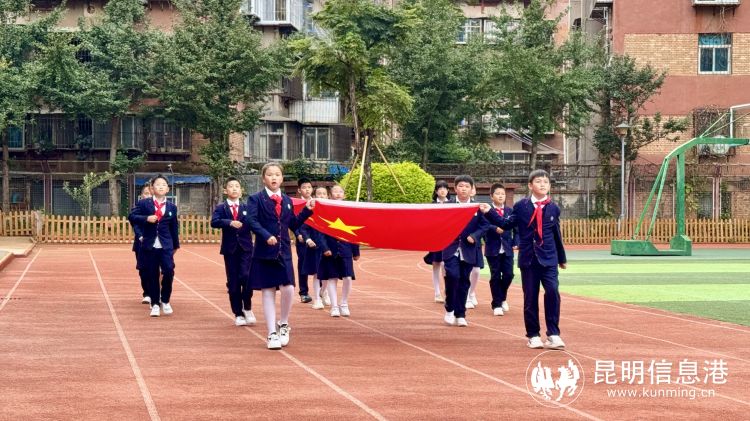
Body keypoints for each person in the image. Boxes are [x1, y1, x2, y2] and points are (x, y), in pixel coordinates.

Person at [479, 169, 567, 349]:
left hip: (549, 258)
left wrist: (561, 257)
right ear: (530, 185)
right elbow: (506, 224)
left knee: (552, 292)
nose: (543, 185)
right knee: (530, 297)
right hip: (529, 259)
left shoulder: (553, 208)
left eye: (546, 182)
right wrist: (489, 212)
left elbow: (556, 234)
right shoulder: (521, 206)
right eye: (538, 181)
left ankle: (553, 334)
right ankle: (533, 335)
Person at [247, 163, 315, 350]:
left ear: (282, 178)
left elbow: (292, 223)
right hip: (264, 252)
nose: (274, 177)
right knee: (268, 291)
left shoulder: (286, 200)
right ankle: (271, 333)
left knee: (289, 288)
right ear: (264, 179)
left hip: (283, 251)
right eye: (270, 175)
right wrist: (265, 235)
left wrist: (307, 210)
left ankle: (283, 323)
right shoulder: (255, 199)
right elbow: (251, 220)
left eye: (277, 174)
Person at [128, 175, 180, 318]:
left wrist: (176, 245)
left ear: (168, 189)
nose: (161, 187)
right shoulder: (144, 204)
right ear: (152, 188)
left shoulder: (172, 207)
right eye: (157, 184)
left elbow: (174, 227)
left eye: (164, 184)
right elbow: (132, 217)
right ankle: (155, 304)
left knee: (168, 271)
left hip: (166, 245)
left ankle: (165, 300)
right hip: (149, 245)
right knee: (152, 274)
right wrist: (147, 218)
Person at [441, 175, 489, 327]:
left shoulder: (477, 208)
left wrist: (474, 236)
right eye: (461, 186)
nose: (463, 189)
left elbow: (485, 225)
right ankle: (450, 309)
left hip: (468, 249)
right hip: (451, 248)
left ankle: (460, 314)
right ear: (455, 189)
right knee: (452, 277)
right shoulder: (447, 206)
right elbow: (439, 223)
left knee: (464, 281)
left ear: (472, 189)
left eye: (467, 186)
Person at [210, 177, 256, 326]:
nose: (234, 188)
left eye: (237, 186)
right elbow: (214, 222)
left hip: (246, 248)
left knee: (246, 277)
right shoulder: (221, 208)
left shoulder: (247, 207)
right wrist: (229, 222)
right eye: (231, 186)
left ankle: (247, 307)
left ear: (241, 191)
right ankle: (238, 313)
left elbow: (255, 224)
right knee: (233, 282)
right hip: (230, 249)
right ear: (225, 190)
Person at [317, 184, 360, 317]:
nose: (338, 194)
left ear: (344, 195)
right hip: (330, 251)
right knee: (332, 278)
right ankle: (334, 306)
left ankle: (344, 303)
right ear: (330, 195)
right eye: (335, 192)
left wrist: (356, 251)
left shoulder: (350, 211)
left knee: (347, 278)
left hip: (345, 249)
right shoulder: (325, 211)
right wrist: (325, 248)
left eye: (340, 191)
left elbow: (355, 232)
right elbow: (320, 232)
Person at [484, 183, 517, 316]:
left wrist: (516, 242)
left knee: (509, 274)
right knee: (496, 275)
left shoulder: (510, 211)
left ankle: (502, 297)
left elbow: (516, 229)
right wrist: (494, 228)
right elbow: (483, 225)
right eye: (498, 194)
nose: (501, 196)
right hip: (493, 248)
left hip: (507, 248)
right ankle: (496, 304)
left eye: (503, 194)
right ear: (491, 196)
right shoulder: (486, 210)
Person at [423, 180, 450, 303]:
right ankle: (437, 293)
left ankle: (448, 291)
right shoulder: (432, 205)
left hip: (449, 239)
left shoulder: (453, 204)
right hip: (435, 239)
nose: (442, 190)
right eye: (440, 188)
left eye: (444, 188)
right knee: (436, 265)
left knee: (446, 265)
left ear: (448, 190)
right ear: (436, 191)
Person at [306, 186, 329, 310]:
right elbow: (303, 227)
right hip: (314, 246)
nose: (321, 196)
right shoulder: (310, 210)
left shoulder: (331, 211)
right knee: (316, 273)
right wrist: (308, 239)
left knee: (328, 274)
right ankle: (317, 299)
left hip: (328, 247)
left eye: (324, 193)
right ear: (314, 196)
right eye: (319, 193)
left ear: (328, 196)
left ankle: (323, 291)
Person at [131, 182, 152, 305]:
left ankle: (156, 292)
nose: (148, 196)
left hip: (156, 243)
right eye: (146, 193)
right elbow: (135, 224)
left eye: (150, 193)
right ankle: (147, 293)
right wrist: (140, 236)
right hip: (141, 243)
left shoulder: (160, 207)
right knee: (143, 269)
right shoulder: (138, 208)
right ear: (141, 195)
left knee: (156, 269)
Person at [294, 178, 314, 304]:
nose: (307, 189)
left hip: (317, 238)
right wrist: (297, 234)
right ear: (299, 190)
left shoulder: (317, 203)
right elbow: (293, 221)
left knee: (319, 264)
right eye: (304, 187)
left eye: (309, 187)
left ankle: (321, 291)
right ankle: (304, 293)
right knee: (303, 264)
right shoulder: (296, 205)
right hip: (301, 239)